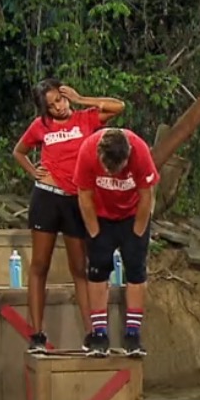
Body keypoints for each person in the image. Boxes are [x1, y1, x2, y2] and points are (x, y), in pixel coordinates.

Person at [12, 80, 126, 352]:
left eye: (60, 100)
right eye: (52, 105)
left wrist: (81, 98)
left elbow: (119, 107)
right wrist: (33, 171)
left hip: (76, 199)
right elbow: (19, 151)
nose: (59, 107)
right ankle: (37, 335)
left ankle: (92, 334)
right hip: (47, 197)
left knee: (79, 267)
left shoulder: (85, 119)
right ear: (45, 109)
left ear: (66, 95)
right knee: (40, 265)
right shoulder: (40, 126)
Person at [73, 127, 158, 357]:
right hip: (101, 216)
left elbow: (147, 195)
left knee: (136, 271)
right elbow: (84, 195)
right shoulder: (87, 151)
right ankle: (99, 334)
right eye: (108, 169)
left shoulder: (140, 151)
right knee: (97, 271)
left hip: (132, 214)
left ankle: (133, 334)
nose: (112, 174)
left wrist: (138, 232)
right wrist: (94, 232)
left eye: (117, 169)